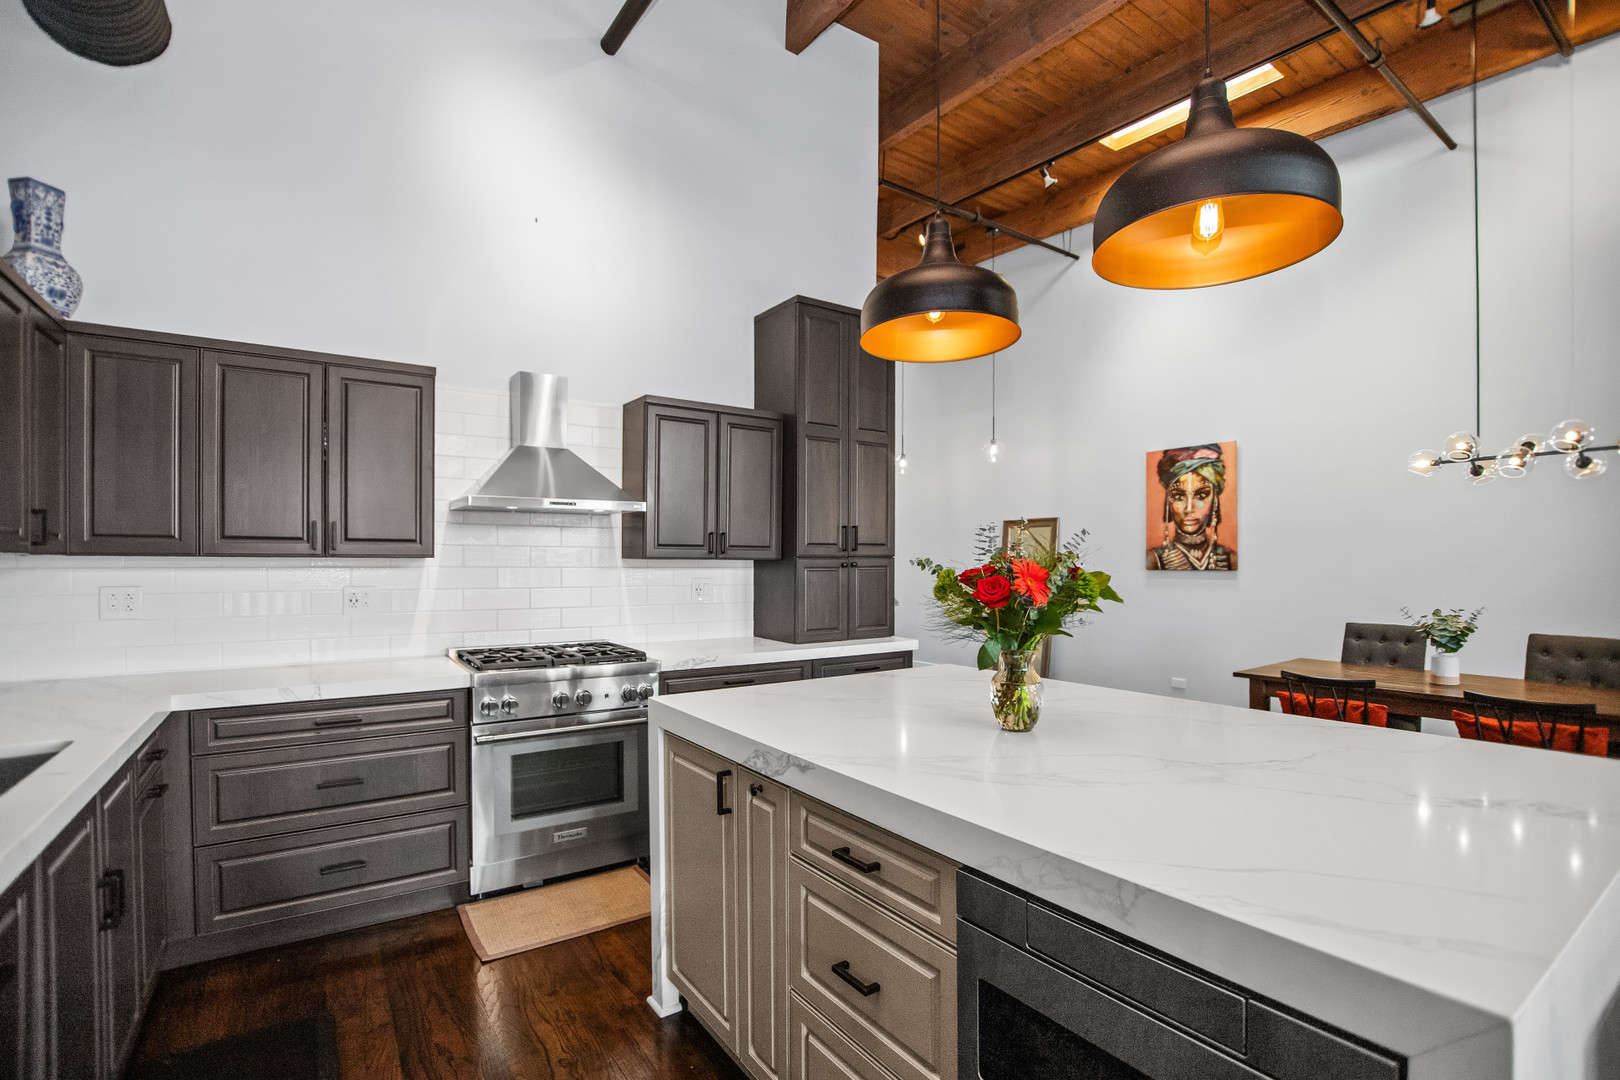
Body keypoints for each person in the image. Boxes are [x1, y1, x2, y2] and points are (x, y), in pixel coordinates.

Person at [1147, 444, 1236, 571]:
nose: (1189, 508)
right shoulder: (1153, 560)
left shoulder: (1231, 559)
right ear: (1168, 501)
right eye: (1178, 496)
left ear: (1215, 500)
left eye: (1201, 495)